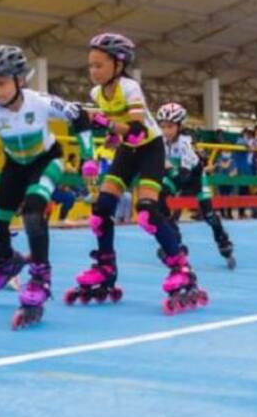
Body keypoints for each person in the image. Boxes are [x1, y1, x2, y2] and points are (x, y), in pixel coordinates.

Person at [0, 45, 94, 329]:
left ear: (20, 80)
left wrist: (89, 157)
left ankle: (41, 275)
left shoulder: (39, 101)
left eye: (1, 83)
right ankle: (7, 263)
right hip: (14, 167)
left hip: (46, 160)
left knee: (32, 212)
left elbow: (80, 116)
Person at [67, 32, 206, 314]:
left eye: (99, 65)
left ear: (118, 64)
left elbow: (138, 130)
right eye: (90, 65)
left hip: (150, 149)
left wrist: (104, 122)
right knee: (100, 210)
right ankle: (105, 266)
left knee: (146, 213)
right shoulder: (96, 93)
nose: (93, 71)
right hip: (128, 151)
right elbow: (121, 133)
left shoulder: (130, 87)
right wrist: (108, 139)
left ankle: (181, 267)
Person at [156, 102, 236, 269]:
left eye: (170, 127)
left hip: (195, 177)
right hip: (177, 173)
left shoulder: (185, 143)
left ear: (179, 126)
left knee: (209, 216)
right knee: (159, 197)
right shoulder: (161, 141)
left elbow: (183, 176)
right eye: (162, 127)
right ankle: (173, 239)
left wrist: (170, 175)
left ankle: (224, 243)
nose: (165, 131)